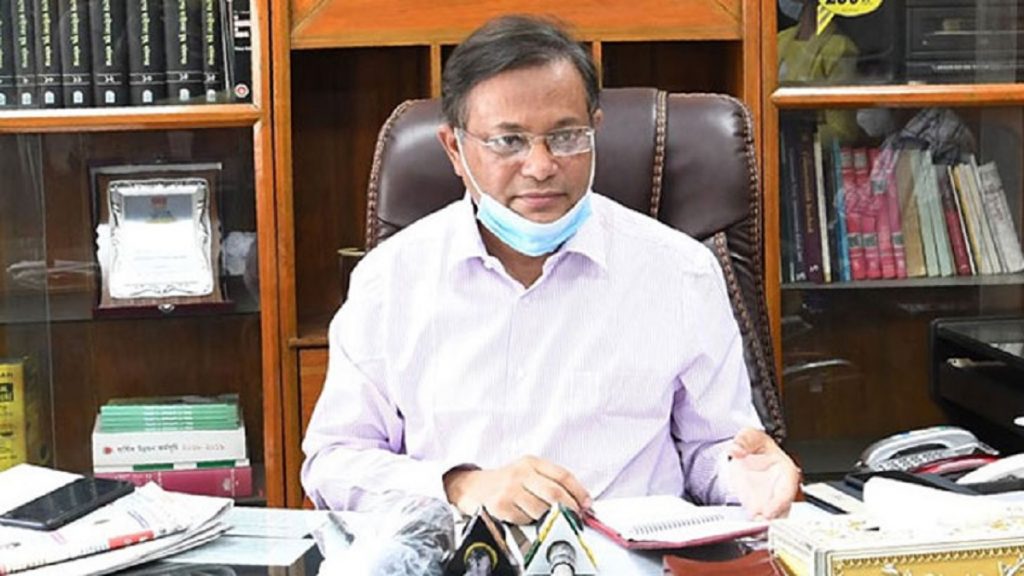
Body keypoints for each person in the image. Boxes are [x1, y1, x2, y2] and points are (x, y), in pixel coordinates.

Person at [302, 14, 800, 526]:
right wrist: (460, 486)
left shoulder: (679, 271)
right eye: (509, 141)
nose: (541, 166)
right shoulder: (392, 279)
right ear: (455, 149)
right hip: (456, 553)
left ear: (595, 131)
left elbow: (714, 447)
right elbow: (334, 462)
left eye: (565, 137)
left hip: (627, 556)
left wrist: (744, 474)